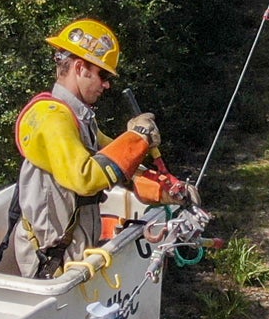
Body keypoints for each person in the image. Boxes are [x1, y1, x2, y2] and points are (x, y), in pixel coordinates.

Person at [11, 18, 162, 279]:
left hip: (72, 252)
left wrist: (165, 188)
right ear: (81, 68)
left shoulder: (78, 117)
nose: (106, 84)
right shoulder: (52, 117)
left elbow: (114, 160)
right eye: (103, 75)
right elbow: (86, 177)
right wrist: (139, 138)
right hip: (51, 260)